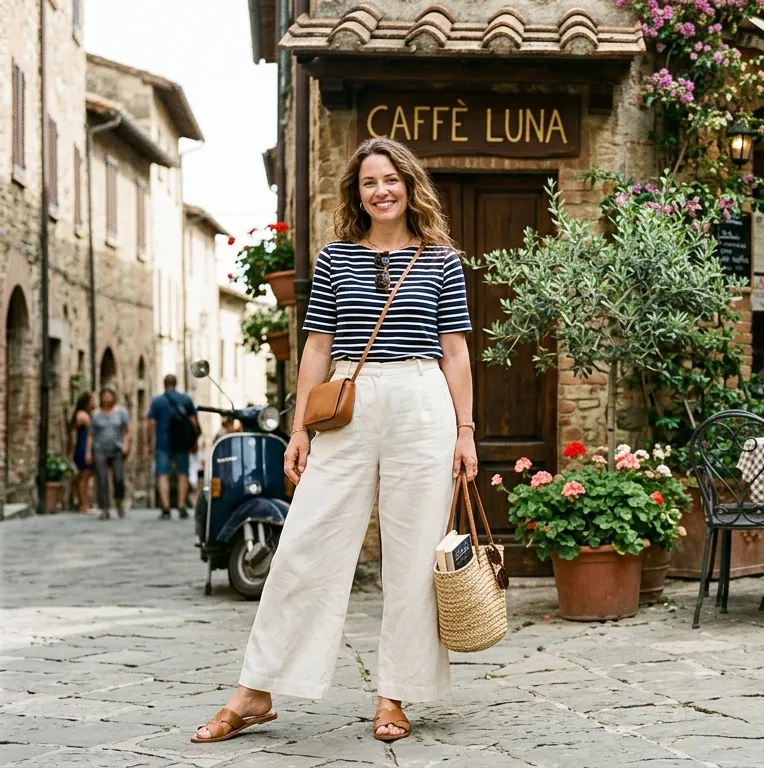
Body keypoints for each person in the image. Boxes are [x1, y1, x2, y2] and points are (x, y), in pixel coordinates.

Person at [193, 137, 479, 745]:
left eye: (391, 179)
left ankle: (395, 695)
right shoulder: (334, 259)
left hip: (423, 401)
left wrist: (465, 432)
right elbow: (316, 348)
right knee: (305, 542)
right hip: (348, 399)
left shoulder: (441, 260)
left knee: (413, 556)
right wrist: (298, 429)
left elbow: (455, 351)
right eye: (369, 181)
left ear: (410, 186)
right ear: (357, 192)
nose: (382, 190)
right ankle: (256, 689)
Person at [147, 374, 200, 520]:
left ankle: (166, 507)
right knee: (183, 473)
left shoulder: (157, 401)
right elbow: (194, 422)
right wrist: (195, 441)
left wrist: (148, 443)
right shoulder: (186, 399)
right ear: (176, 384)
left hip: (163, 443)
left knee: (163, 474)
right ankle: (182, 506)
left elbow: (151, 424)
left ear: (164, 384)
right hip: (182, 442)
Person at [89, 388, 131, 520]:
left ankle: (119, 502)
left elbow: (128, 430)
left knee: (118, 478)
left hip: (117, 449)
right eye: (104, 396)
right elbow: (91, 435)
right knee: (101, 479)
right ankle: (104, 509)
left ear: (114, 397)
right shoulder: (95, 414)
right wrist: (88, 452)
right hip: (99, 449)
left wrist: (126, 445)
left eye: (109, 396)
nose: (107, 398)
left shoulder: (121, 412)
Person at [69, 392, 94, 514]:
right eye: (92, 400)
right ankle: (83, 505)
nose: (94, 402)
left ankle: (83, 503)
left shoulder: (84, 414)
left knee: (83, 476)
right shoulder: (83, 415)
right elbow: (92, 431)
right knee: (84, 476)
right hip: (83, 447)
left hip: (83, 446)